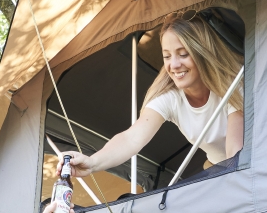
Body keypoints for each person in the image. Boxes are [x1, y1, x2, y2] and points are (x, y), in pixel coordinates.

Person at [61, 9, 244, 183]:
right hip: (217, 169)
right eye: (166, 56)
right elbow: (131, 138)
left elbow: (235, 155)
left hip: (242, 166)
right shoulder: (170, 97)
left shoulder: (233, 84)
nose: (174, 65)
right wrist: (92, 163)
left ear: (203, 52)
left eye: (183, 54)